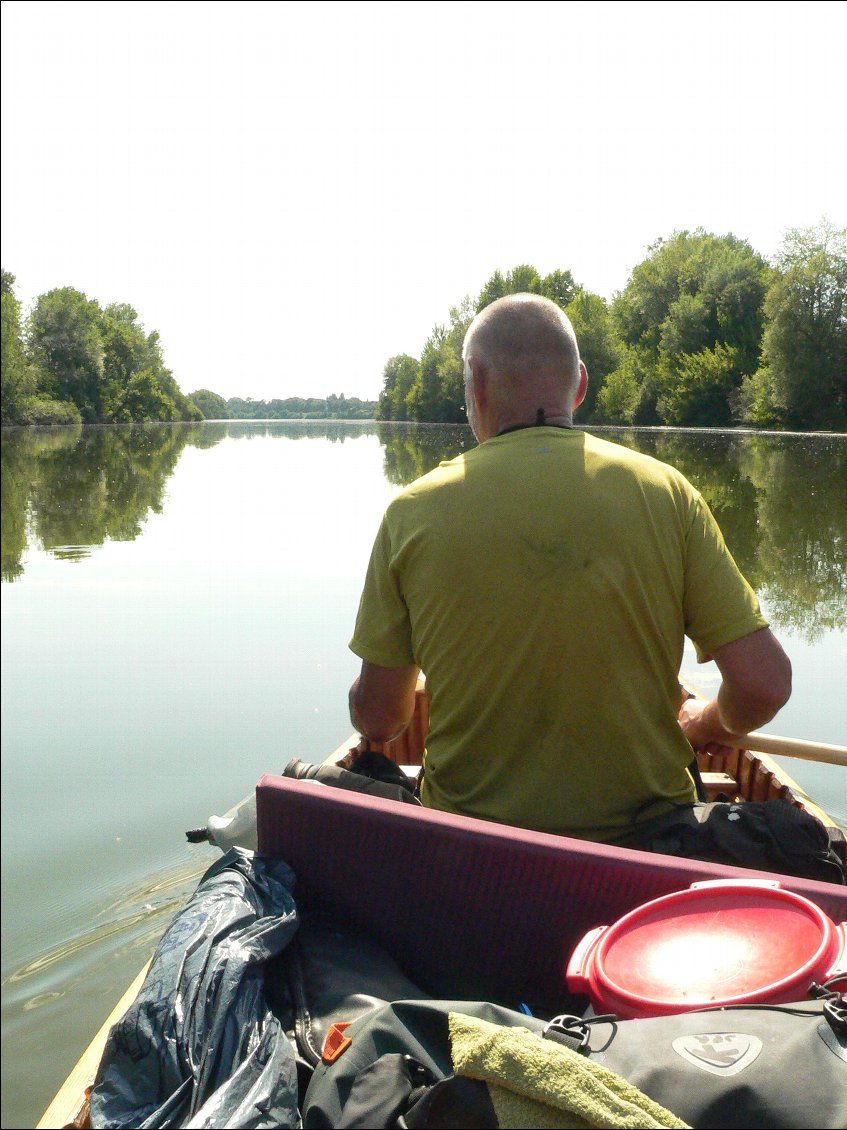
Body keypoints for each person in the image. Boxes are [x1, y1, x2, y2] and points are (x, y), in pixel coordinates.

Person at [347, 294, 792, 847]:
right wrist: (706, 724)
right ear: (580, 384)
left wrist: (377, 690)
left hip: (471, 849)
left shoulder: (409, 512)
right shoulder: (668, 492)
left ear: (476, 385)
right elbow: (765, 686)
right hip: (650, 845)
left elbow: (380, 723)